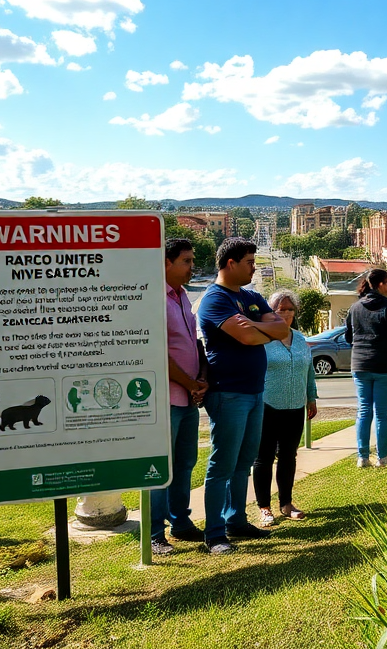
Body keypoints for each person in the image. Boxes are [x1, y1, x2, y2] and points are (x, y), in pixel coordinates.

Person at [197, 237, 290, 555]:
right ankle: (214, 533)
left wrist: (255, 324)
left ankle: (235, 520)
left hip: (254, 391)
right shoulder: (214, 299)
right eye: (249, 262)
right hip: (228, 392)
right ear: (230, 263)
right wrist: (260, 327)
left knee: (243, 463)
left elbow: (284, 330)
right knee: (222, 464)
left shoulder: (251, 297)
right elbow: (250, 337)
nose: (254, 267)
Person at [150, 238, 210, 556]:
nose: (191, 267)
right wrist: (189, 382)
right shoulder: (155, 299)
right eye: (186, 261)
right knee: (160, 467)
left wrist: (201, 377)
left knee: (185, 463)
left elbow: (192, 342)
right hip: (167, 398)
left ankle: (181, 524)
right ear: (166, 263)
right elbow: (157, 352)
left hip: (188, 397)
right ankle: (154, 534)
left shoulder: (183, 298)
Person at [254, 290, 318, 525]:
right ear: (271, 312)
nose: (287, 313)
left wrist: (311, 397)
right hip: (267, 406)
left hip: (295, 406)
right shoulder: (262, 339)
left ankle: (286, 503)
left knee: (289, 456)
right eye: (281, 309)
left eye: (290, 309)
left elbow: (309, 369)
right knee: (264, 457)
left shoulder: (300, 339)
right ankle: (264, 507)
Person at [346, 269, 387, 467]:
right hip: (384, 365)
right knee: (381, 413)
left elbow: (349, 337)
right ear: (381, 284)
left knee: (364, 411)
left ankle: (362, 457)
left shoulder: (355, 308)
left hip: (360, 364)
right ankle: (383, 456)